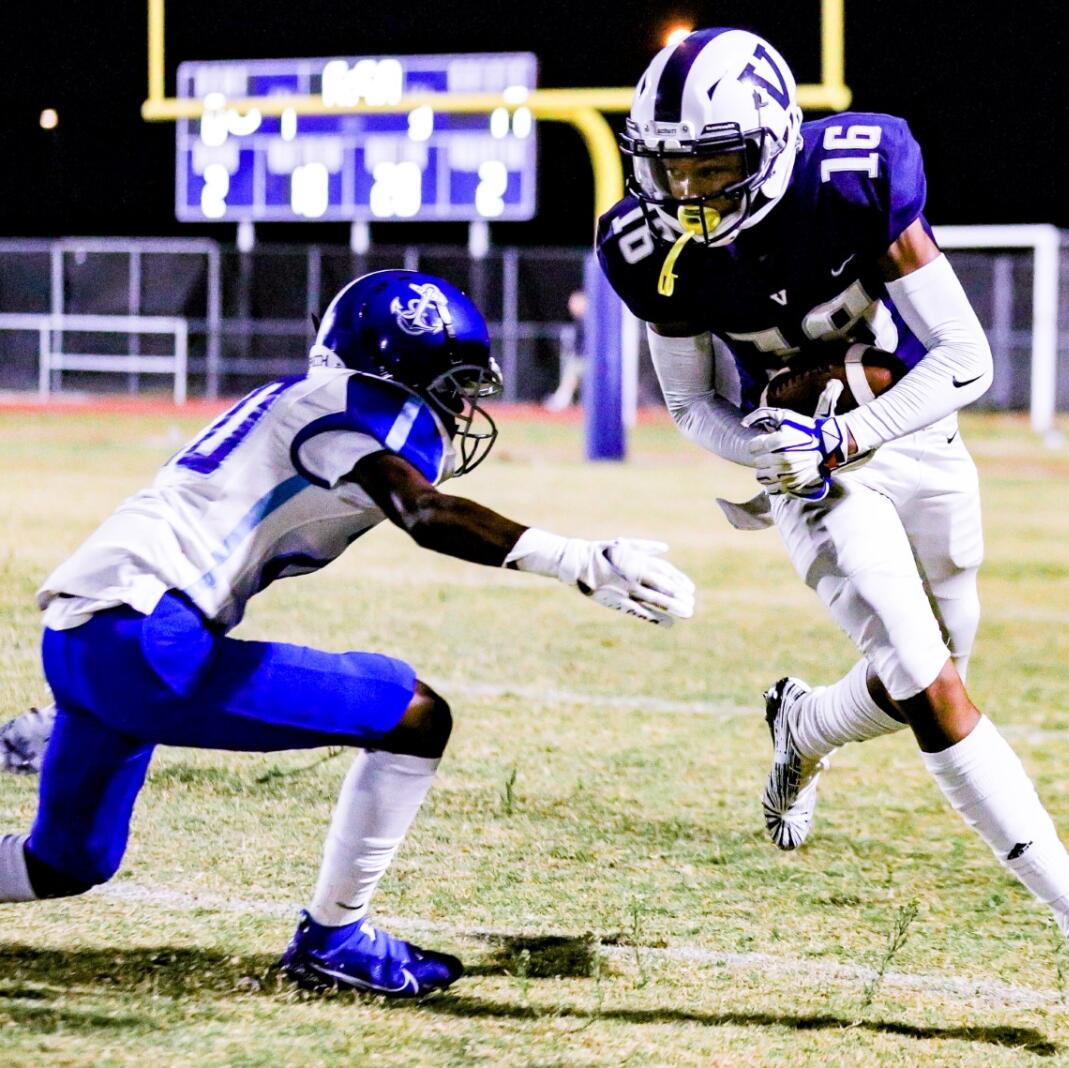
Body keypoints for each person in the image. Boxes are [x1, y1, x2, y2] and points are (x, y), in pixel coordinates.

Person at [597, 28, 1069, 1027]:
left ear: (772, 141)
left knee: (932, 669)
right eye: (671, 169)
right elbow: (688, 403)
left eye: (714, 166)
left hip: (907, 436)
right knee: (930, 685)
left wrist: (848, 435)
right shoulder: (648, 247)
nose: (690, 195)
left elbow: (965, 358)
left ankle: (801, 725)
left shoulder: (855, 179)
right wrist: (768, 448)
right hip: (810, 471)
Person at [0, 269, 695, 998]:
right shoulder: (352, 405)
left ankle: (57, 732)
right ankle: (335, 938)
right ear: (400, 369)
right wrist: (575, 558)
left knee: (66, 862)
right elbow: (422, 513)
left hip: (82, 634)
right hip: (147, 642)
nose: (462, 408)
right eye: (453, 383)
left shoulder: (291, 399)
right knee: (415, 714)